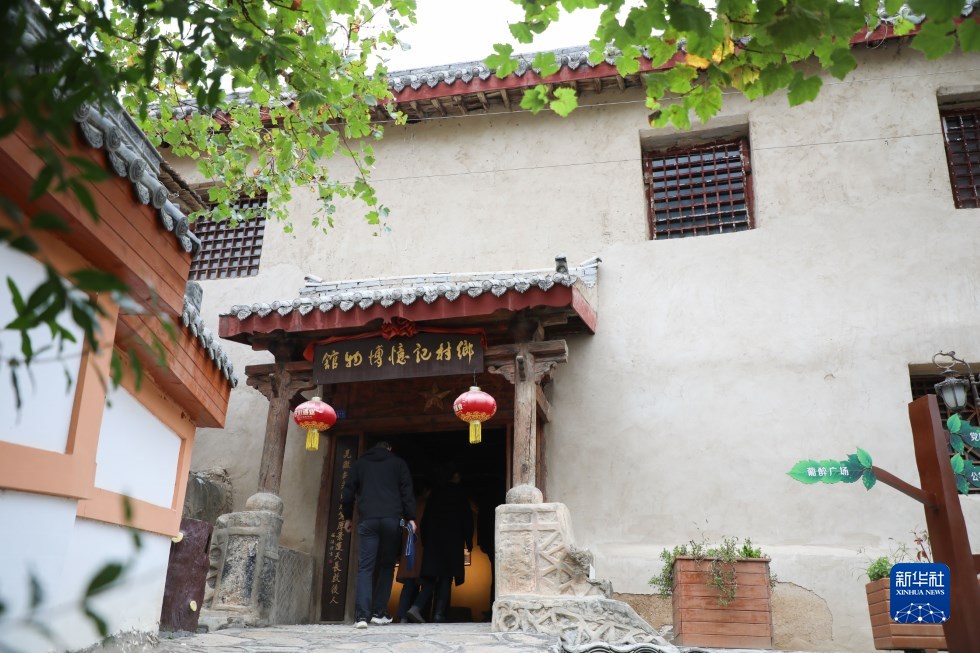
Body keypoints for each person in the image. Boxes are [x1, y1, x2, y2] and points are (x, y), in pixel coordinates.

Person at [341, 441, 416, 629]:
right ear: (389, 449)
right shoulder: (398, 464)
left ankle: (361, 617)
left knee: (365, 568)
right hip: (392, 520)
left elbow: (348, 492)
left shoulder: (360, 464)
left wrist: (348, 516)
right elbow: (406, 492)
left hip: (368, 520)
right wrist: (411, 517)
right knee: (387, 565)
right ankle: (379, 613)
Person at [406, 463, 473, 623]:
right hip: (452, 543)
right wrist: (468, 540)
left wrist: (426, 541)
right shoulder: (460, 495)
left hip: (433, 544)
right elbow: (467, 520)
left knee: (430, 578)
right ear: (456, 476)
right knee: (445, 578)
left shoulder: (435, 494)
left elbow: (425, 521)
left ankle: (416, 607)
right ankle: (439, 615)